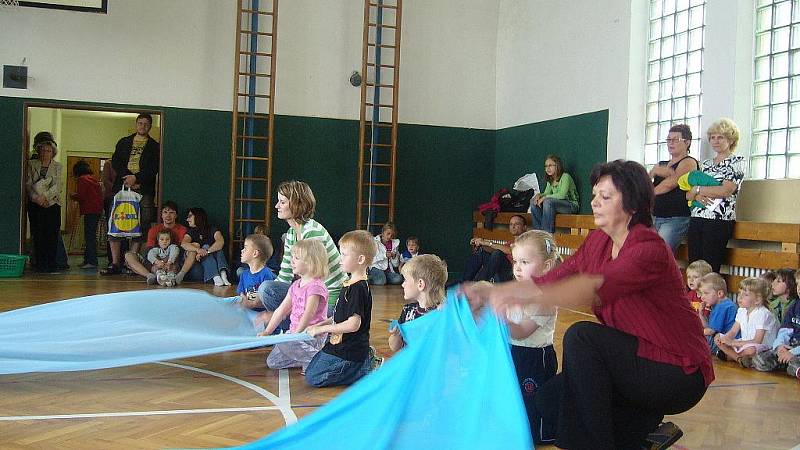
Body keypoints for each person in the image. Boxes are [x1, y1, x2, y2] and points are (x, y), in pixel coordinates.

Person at [464, 160, 712, 450]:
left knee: (582, 336)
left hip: (678, 372)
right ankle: (641, 435)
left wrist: (507, 296)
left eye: (605, 196)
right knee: (549, 400)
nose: (595, 202)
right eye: (595, 195)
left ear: (632, 203)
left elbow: (592, 290)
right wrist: (491, 293)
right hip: (637, 362)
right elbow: (553, 279)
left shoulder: (649, 248)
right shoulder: (598, 242)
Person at [256, 181, 347, 329]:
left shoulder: (312, 232)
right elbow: (284, 277)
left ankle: (297, 331)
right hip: (310, 292)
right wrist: (255, 301)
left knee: (268, 291)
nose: (276, 206)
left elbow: (316, 287)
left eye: (282, 202)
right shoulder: (291, 234)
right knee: (266, 290)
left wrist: (279, 313)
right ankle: (283, 329)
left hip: (329, 300)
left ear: (296, 204)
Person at [504, 230, 559, 445]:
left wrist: (498, 321)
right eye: (515, 260)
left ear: (546, 266)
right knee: (515, 394)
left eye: (525, 262)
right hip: (516, 352)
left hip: (536, 357)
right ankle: (517, 430)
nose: (517, 267)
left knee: (532, 398)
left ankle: (541, 434)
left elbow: (523, 331)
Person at [304, 230, 376, 387]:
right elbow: (339, 315)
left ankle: (364, 367)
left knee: (313, 377)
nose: (339, 259)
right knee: (312, 371)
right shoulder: (349, 284)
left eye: (344, 255)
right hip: (338, 344)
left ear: (360, 259)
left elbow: (353, 324)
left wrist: (322, 330)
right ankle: (361, 363)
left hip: (349, 350)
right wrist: (320, 325)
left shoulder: (358, 288)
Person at [256, 239, 330, 373]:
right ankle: (308, 358)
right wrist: (268, 332)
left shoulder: (316, 286)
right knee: (273, 362)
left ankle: (319, 359)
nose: (292, 261)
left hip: (311, 335)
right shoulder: (295, 286)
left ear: (310, 262)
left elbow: (309, 313)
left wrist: (296, 334)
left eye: (297, 258)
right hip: (295, 335)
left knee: (284, 341)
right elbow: (281, 310)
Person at [686, 118, 745, 273]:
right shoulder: (704, 164)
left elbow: (726, 191)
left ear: (730, 139)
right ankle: (695, 297)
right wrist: (696, 193)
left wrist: (698, 190)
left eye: (720, 137)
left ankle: (711, 297)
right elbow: (688, 194)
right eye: (713, 137)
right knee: (694, 265)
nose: (716, 141)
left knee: (711, 265)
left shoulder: (736, 162)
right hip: (698, 216)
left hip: (719, 220)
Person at [104, 113, 160, 275]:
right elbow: (116, 162)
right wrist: (128, 178)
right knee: (116, 223)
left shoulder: (155, 146)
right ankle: (115, 263)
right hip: (121, 188)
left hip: (144, 190)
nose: (142, 126)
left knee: (141, 225)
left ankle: (132, 262)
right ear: (136, 124)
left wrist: (137, 178)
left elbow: (153, 168)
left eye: (146, 124)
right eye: (140, 123)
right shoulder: (124, 142)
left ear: (150, 126)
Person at [650, 124, 699, 254]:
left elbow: (671, 183)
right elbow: (647, 179)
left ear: (687, 142)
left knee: (661, 254)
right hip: (655, 216)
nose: (671, 143)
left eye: (675, 140)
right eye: (668, 140)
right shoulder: (662, 164)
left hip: (675, 218)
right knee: (648, 252)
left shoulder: (689, 162)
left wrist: (649, 193)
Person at [123, 202, 195, 285]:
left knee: (191, 251)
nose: (168, 216)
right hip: (156, 261)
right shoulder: (154, 230)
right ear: (161, 215)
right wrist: (157, 262)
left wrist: (169, 262)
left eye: (171, 213)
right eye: (165, 212)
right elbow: (149, 251)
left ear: (176, 215)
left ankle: (177, 277)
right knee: (129, 255)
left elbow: (181, 250)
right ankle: (150, 276)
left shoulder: (182, 230)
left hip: (174, 262)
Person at [388, 254, 448, 352]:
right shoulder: (407, 310)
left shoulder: (442, 313)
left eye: (406, 280)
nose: (403, 284)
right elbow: (395, 347)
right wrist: (396, 334)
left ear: (420, 284)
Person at [714, 277, 778, 367]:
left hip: (762, 347)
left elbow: (757, 340)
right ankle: (739, 359)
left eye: (745, 295)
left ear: (757, 300)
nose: (740, 297)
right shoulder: (741, 310)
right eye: (739, 293)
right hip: (744, 343)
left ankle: (732, 356)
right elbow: (733, 331)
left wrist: (733, 343)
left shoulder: (763, 313)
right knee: (717, 338)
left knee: (751, 350)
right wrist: (725, 339)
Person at [25, 132, 63, 273]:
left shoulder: (58, 166)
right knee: (38, 234)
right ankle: (40, 264)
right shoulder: (31, 164)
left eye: (48, 151)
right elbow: (28, 184)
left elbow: (57, 186)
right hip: (35, 205)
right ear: (38, 150)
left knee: (52, 235)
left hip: (52, 204)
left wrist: (45, 197)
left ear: (53, 152)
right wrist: (37, 199)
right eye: (42, 150)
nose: (45, 153)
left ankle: (51, 263)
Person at [752, 271, 800, 379]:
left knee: (794, 364)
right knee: (760, 359)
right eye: (798, 284)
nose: (799, 289)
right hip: (789, 347)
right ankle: (785, 362)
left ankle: (790, 365)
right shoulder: (795, 305)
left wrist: (792, 352)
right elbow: (785, 330)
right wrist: (780, 346)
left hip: (796, 351)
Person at [461, 214, 527, 283]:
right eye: (511, 224)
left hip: (512, 275)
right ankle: (464, 283)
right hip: (499, 272)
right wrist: (481, 244)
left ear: (524, 227)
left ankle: (478, 285)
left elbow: (511, 251)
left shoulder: (526, 242)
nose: (513, 226)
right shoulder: (509, 243)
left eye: (517, 224)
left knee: (498, 253)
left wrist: (487, 243)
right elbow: (494, 252)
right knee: (481, 252)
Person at [529, 154, 579, 233]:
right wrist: (540, 195)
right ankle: (539, 234)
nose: (547, 168)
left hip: (571, 205)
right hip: (557, 205)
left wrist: (545, 197)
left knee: (548, 201)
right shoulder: (551, 179)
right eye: (545, 166)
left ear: (557, 166)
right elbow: (547, 193)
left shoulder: (565, 176)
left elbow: (561, 195)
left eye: (550, 165)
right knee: (533, 201)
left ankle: (547, 235)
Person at [182, 207, 230, 286]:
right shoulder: (190, 232)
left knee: (217, 250)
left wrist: (206, 251)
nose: (187, 219)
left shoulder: (212, 229)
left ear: (198, 216)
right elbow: (184, 244)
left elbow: (220, 242)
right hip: (197, 270)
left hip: (213, 266)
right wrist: (198, 250)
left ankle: (222, 274)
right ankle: (217, 275)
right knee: (205, 246)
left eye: (190, 216)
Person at [70, 160, 103, 269]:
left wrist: (73, 195)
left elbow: (82, 196)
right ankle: (88, 260)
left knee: (89, 236)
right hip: (97, 210)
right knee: (91, 236)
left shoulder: (82, 179)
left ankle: (91, 261)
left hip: (89, 210)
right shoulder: (93, 179)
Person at [697, 273, 738, 355]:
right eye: (701, 294)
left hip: (727, 343)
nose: (702, 297)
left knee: (694, 339)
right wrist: (701, 314)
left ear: (719, 294)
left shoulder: (722, 307)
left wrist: (694, 332)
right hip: (725, 341)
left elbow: (710, 331)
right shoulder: (720, 304)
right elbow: (709, 327)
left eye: (706, 293)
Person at [236, 234, 276, 305]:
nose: (242, 251)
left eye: (245, 248)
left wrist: (252, 304)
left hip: (260, 312)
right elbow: (241, 292)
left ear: (255, 253)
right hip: (247, 309)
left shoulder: (266, 274)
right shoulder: (244, 274)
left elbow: (267, 298)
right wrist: (245, 302)